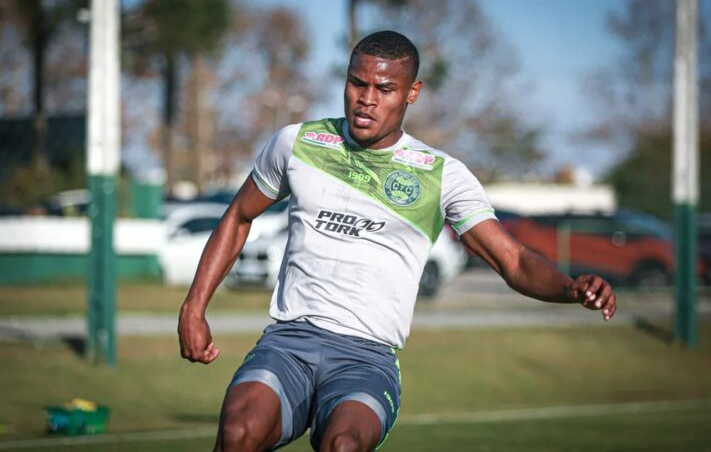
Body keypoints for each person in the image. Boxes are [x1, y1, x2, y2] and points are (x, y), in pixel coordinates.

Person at [178, 30, 616, 452]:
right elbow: (238, 215)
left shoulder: (441, 175)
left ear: (412, 92)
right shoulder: (297, 143)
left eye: (385, 89)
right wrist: (194, 306)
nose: (366, 99)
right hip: (290, 341)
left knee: (343, 445)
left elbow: (514, 261)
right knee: (238, 432)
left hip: (365, 360)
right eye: (357, 83)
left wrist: (569, 288)